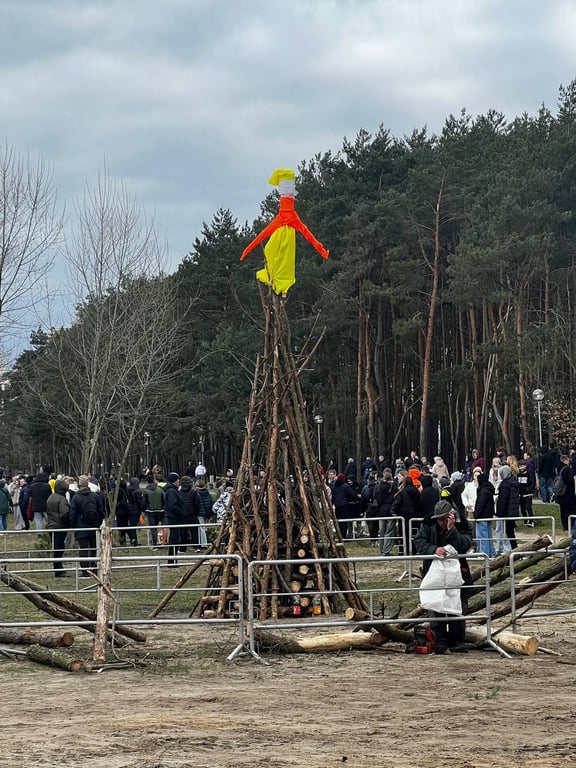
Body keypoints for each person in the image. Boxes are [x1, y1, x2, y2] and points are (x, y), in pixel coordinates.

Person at [414, 499, 473, 654]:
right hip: (435, 573)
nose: (440, 522)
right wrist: (433, 549)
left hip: (458, 573)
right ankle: (439, 641)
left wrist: (452, 530)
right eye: (438, 519)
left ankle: (457, 641)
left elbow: (464, 545)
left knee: (458, 607)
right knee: (436, 605)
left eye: (444, 519)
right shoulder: (428, 524)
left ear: (451, 516)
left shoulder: (463, 524)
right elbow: (419, 542)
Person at [70, 474, 105, 578]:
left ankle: (85, 572)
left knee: (83, 550)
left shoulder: (76, 497)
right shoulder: (95, 496)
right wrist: (97, 523)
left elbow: (72, 514)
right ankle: (95, 569)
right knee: (95, 549)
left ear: (79, 485)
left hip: (81, 527)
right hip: (94, 527)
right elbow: (101, 511)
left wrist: (74, 526)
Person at [390, 472, 420, 554]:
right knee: (413, 533)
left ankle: (403, 550)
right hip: (414, 514)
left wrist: (393, 511)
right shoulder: (416, 491)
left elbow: (397, 502)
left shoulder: (402, 492)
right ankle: (413, 550)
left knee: (403, 534)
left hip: (403, 515)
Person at [46, 478, 70, 577]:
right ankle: (58, 570)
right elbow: (65, 513)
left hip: (51, 525)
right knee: (59, 548)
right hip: (59, 526)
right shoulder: (62, 499)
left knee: (56, 548)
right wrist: (68, 523)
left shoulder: (50, 497)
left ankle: (58, 568)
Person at [496, 465, 520, 551]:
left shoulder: (505, 484)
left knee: (508, 532)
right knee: (510, 532)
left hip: (506, 512)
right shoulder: (513, 482)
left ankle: (513, 550)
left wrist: (499, 512)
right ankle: (514, 549)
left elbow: (503, 500)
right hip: (512, 511)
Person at [164, 472, 184, 566]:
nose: (178, 481)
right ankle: (172, 561)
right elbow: (172, 505)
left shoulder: (172, 490)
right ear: (174, 481)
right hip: (174, 518)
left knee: (175, 539)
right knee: (174, 539)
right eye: (177, 479)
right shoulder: (171, 491)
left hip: (175, 517)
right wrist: (181, 512)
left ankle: (174, 560)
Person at [473, 472, 495, 558]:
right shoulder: (489, 489)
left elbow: (480, 504)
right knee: (488, 535)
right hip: (488, 515)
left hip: (482, 516)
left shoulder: (483, 491)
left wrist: (476, 514)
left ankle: (484, 553)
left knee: (482, 536)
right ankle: (491, 552)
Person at [331, 473, 359, 539]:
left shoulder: (334, 486)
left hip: (337, 506)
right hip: (344, 506)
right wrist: (357, 498)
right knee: (344, 522)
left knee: (338, 522)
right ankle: (343, 536)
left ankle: (339, 535)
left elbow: (333, 497)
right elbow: (352, 494)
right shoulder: (345, 486)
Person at [554, 454, 576, 532]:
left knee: (562, 511)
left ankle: (564, 526)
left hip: (560, 493)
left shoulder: (557, 468)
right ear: (565, 460)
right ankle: (570, 525)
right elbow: (569, 481)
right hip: (567, 494)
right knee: (570, 511)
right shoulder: (567, 469)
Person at [143, 473, 165, 548]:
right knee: (163, 526)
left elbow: (144, 502)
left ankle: (154, 544)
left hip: (150, 511)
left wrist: (144, 510)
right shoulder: (160, 489)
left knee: (153, 528)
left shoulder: (146, 491)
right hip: (160, 511)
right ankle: (163, 542)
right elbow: (164, 499)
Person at [179, 475, 200, 552]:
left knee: (183, 532)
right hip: (192, 515)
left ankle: (182, 549)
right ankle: (197, 547)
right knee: (194, 531)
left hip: (182, 516)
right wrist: (196, 513)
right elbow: (197, 503)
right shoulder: (193, 492)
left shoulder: (179, 493)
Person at [127, 477, 146, 547]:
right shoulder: (137, 492)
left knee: (131, 525)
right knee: (133, 526)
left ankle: (133, 539)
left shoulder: (127, 490)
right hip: (136, 510)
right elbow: (140, 502)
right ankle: (134, 540)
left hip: (129, 509)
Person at [517, 457, 536, 526]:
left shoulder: (529, 473)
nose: (521, 468)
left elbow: (533, 482)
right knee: (522, 508)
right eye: (520, 466)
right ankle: (525, 520)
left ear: (525, 466)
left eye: (522, 466)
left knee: (528, 507)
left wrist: (529, 489)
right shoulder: (518, 474)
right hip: (521, 494)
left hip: (528, 494)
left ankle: (531, 521)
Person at [195, 478, 213, 549]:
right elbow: (210, 503)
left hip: (200, 513)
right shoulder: (207, 493)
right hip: (206, 512)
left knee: (201, 529)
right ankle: (205, 542)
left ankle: (203, 544)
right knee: (204, 528)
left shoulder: (197, 493)